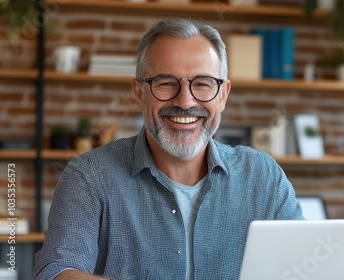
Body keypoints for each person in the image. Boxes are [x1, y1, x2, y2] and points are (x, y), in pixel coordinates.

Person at [33, 18, 303, 280]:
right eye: (165, 83)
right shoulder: (89, 176)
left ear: (223, 95)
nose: (185, 102)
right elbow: (56, 272)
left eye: (202, 84)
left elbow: (306, 266)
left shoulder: (263, 176)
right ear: (139, 91)